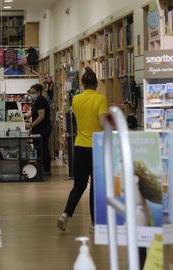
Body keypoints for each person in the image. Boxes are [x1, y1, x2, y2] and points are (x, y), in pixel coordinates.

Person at [57, 67, 108, 232]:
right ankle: (94, 223)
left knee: (79, 185)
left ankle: (66, 214)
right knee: (95, 185)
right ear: (96, 84)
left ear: (83, 83)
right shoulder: (101, 99)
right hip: (96, 147)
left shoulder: (76, 99)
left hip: (79, 146)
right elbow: (102, 123)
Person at [27, 84, 52, 176]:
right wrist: (26, 116)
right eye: (31, 93)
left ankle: (46, 169)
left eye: (33, 92)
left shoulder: (41, 101)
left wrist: (31, 125)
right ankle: (42, 168)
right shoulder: (36, 101)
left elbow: (41, 116)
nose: (31, 94)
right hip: (39, 128)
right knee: (39, 148)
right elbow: (34, 113)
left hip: (43, 129)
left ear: (38, 92)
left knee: (43, 148)